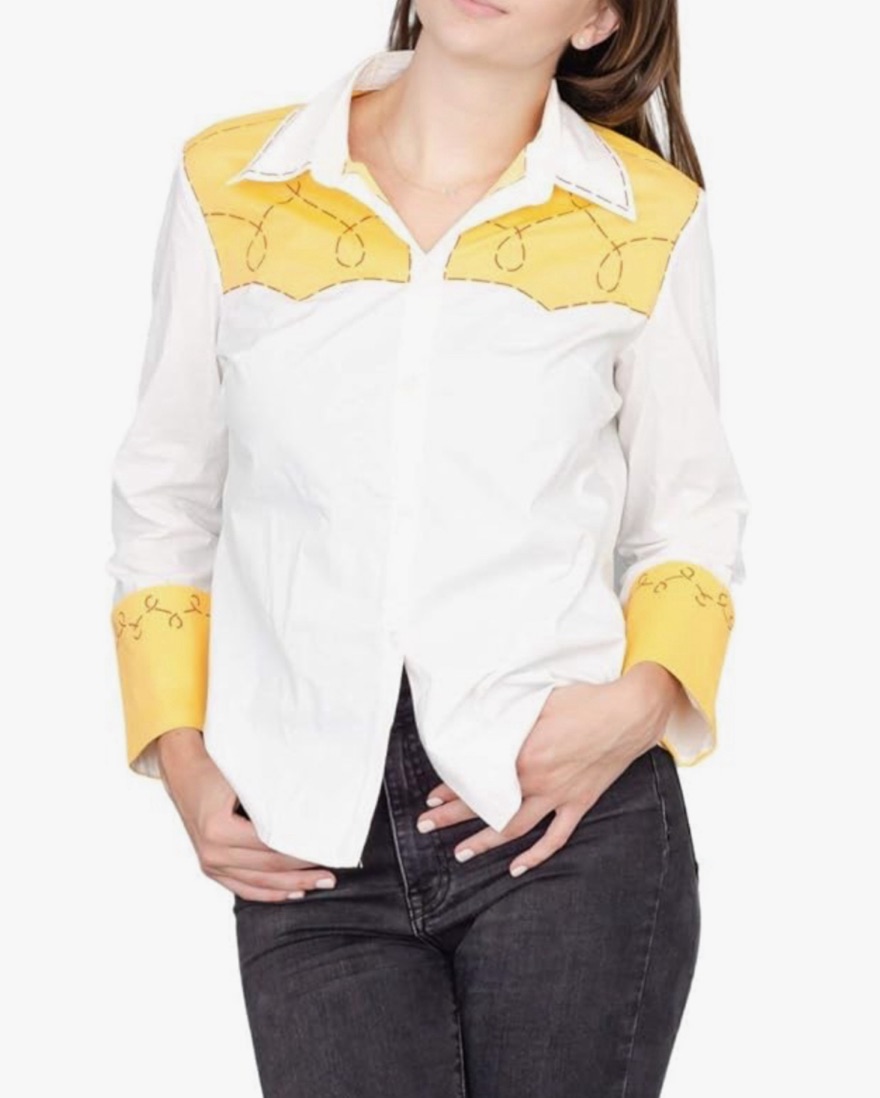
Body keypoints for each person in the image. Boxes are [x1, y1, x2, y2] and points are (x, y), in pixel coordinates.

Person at [106, 1, 749, 1095]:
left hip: (564, 821)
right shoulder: (233, 183)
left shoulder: (648, 219)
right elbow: (164, 499)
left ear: (598, 18)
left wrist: (635, 709)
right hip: (310, 841)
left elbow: (689, 516)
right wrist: (181, 756)